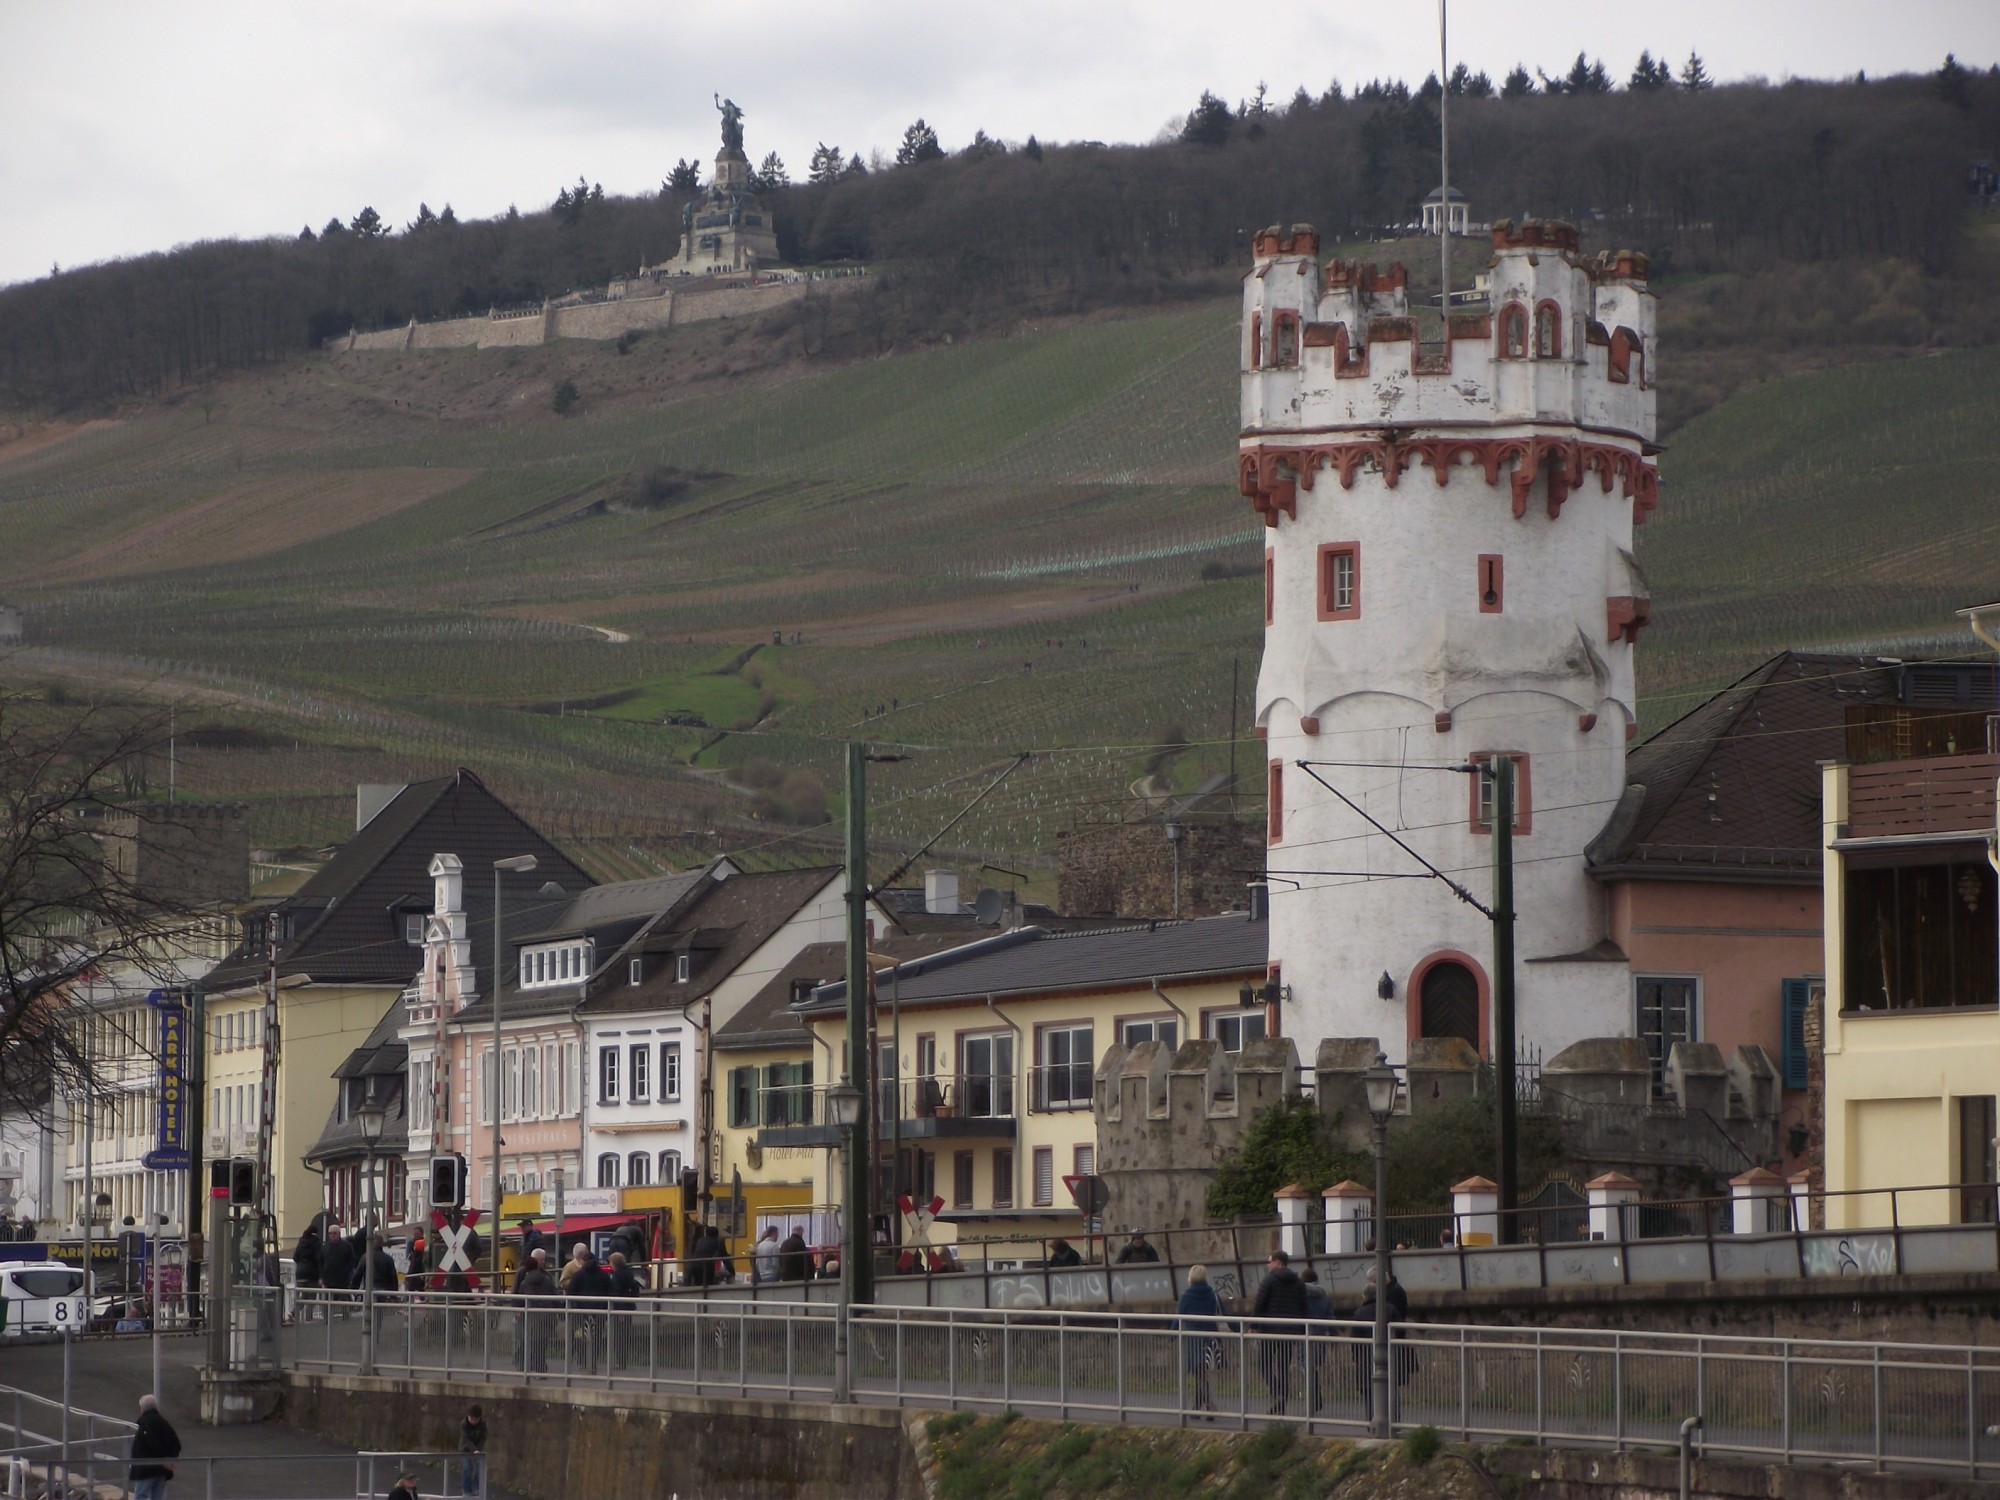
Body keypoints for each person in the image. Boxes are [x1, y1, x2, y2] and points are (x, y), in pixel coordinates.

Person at [1250, 1249, 1309, 1414]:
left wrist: (1253, 1325)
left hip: (1271, 1329)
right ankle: (1282, 1402)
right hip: (1291, 1331)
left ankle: (1277, 1392)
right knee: (1283, 1366)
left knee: (1263, 1363)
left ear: (1277, 1262)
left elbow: (1259, 1303)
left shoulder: (1269, 1280)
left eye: (1269, 1262)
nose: (1268, 1265)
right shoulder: (1298, 1282)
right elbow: (1304, 1306)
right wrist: (1301, 1328)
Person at [1351, 1266, 1411, 1422]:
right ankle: (1394, 1421)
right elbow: (1400, 1331)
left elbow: (1354, 1339)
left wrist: (1357, 1358)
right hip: (1390, 1355)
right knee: (1391, 1389)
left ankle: (1372, 1421)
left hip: (1366, 1357)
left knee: (1370, 1391)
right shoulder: (1390, 1308)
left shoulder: (1359, 1313)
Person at [1175, 1265, 1226, 1415]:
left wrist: (1171, 1335)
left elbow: (1178, 1317)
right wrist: (1238, 1329)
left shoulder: (1186, 1297)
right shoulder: (1213, 1296)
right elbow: (1225, 1314)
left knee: (1199, 1373)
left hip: (1193, 1340)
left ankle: (1210, 1406)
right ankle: (1196, 1408)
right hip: (1211, 1339)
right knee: (1201, 1373)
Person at [567, 1245, 613, 1372]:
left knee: (580, 1337)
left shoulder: (578, 1275)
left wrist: (573, 1307)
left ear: (584, 1261)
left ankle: (582, 1360)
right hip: (600, 1312)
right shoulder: (603, 1276)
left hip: (581, 1313)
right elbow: (610, 1292)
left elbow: (570, 1292)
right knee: (597, 1338)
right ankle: (593, 1363)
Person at [129, 1394, 182, 1500]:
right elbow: (176, 1443)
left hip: (146, 1467)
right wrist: (170, 1459)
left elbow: (151, 1442)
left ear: (142, 1408)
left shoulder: (145, 1422)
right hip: (161, 1470)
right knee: (157, 1497)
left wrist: (162, 1460)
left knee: (141, 1495)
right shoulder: (163, 1422)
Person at [1301, 1266, 1336, 1413]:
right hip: (1320, 1335)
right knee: (1313, 1367)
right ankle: (1316, 1397)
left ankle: (1314, 1398)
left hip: (1305, 1335)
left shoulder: (1301, 1295)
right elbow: (1330, 1316)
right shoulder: (1324, 1296)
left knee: (1305, 1367)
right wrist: (1334, 1334)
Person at [515, 1248, 554, 1373]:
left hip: (528, 1315)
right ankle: (539, 1367)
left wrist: (517, 1309)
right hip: (545, 1315)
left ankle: (523, 1365)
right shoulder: (546, 1278)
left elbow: (516, 1293)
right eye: (542, 1260)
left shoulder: (524, 1281)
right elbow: (553, 1295)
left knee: (526, 1341)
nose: (543, 1262)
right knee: (540, 1343)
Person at [607, 1251, 643, 1370]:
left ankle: (620, 1362)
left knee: (619, 1336)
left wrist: (618, 1308)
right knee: (625, 1335)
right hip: (629, 1307)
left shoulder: (617, 1275)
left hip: (620, 1309)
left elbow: (616, 1292)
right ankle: (623, 1361)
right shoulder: (628, 1273)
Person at [320, 1226, 356, 1318]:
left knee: (343, 1298)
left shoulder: (346, 1246)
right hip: (329, 1279)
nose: (332, 1235)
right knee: (328, 1300)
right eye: (330, 1233)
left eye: (334, 1233)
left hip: (342, 1279)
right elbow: (320, 1261)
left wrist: (346, 1271)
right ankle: (327, 1318)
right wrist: (322, 1275)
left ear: (339, 1234)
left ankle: (346, 1316)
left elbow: (352, 1260)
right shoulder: (325, 1247)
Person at [293, 1221, 324, 1321]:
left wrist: (302, 1264)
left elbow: (295, 1257)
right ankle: (309, 1317)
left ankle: (294, 1312)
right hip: (312, 1273)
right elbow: (318, 1258)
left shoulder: (301, 1241)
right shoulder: (316, 1242)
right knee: (312, 1295)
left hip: (300, 1272)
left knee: (303, 1295)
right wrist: (320, 1275)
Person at [458, 1404, 487, 1498]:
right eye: (471, 1419)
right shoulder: (464, 1424)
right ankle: (466, 1490)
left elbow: (483, 1437)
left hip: (478, 1448)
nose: (473, 1421)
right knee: (467, 1468)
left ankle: (476, 1488)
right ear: (468, 1416)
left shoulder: (483, 1424)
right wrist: (473, 1450)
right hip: (465, 1449)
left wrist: (478, 1449)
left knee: (479, 1468)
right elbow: (465, 1439)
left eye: (476, 1419)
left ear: (479, 1418)